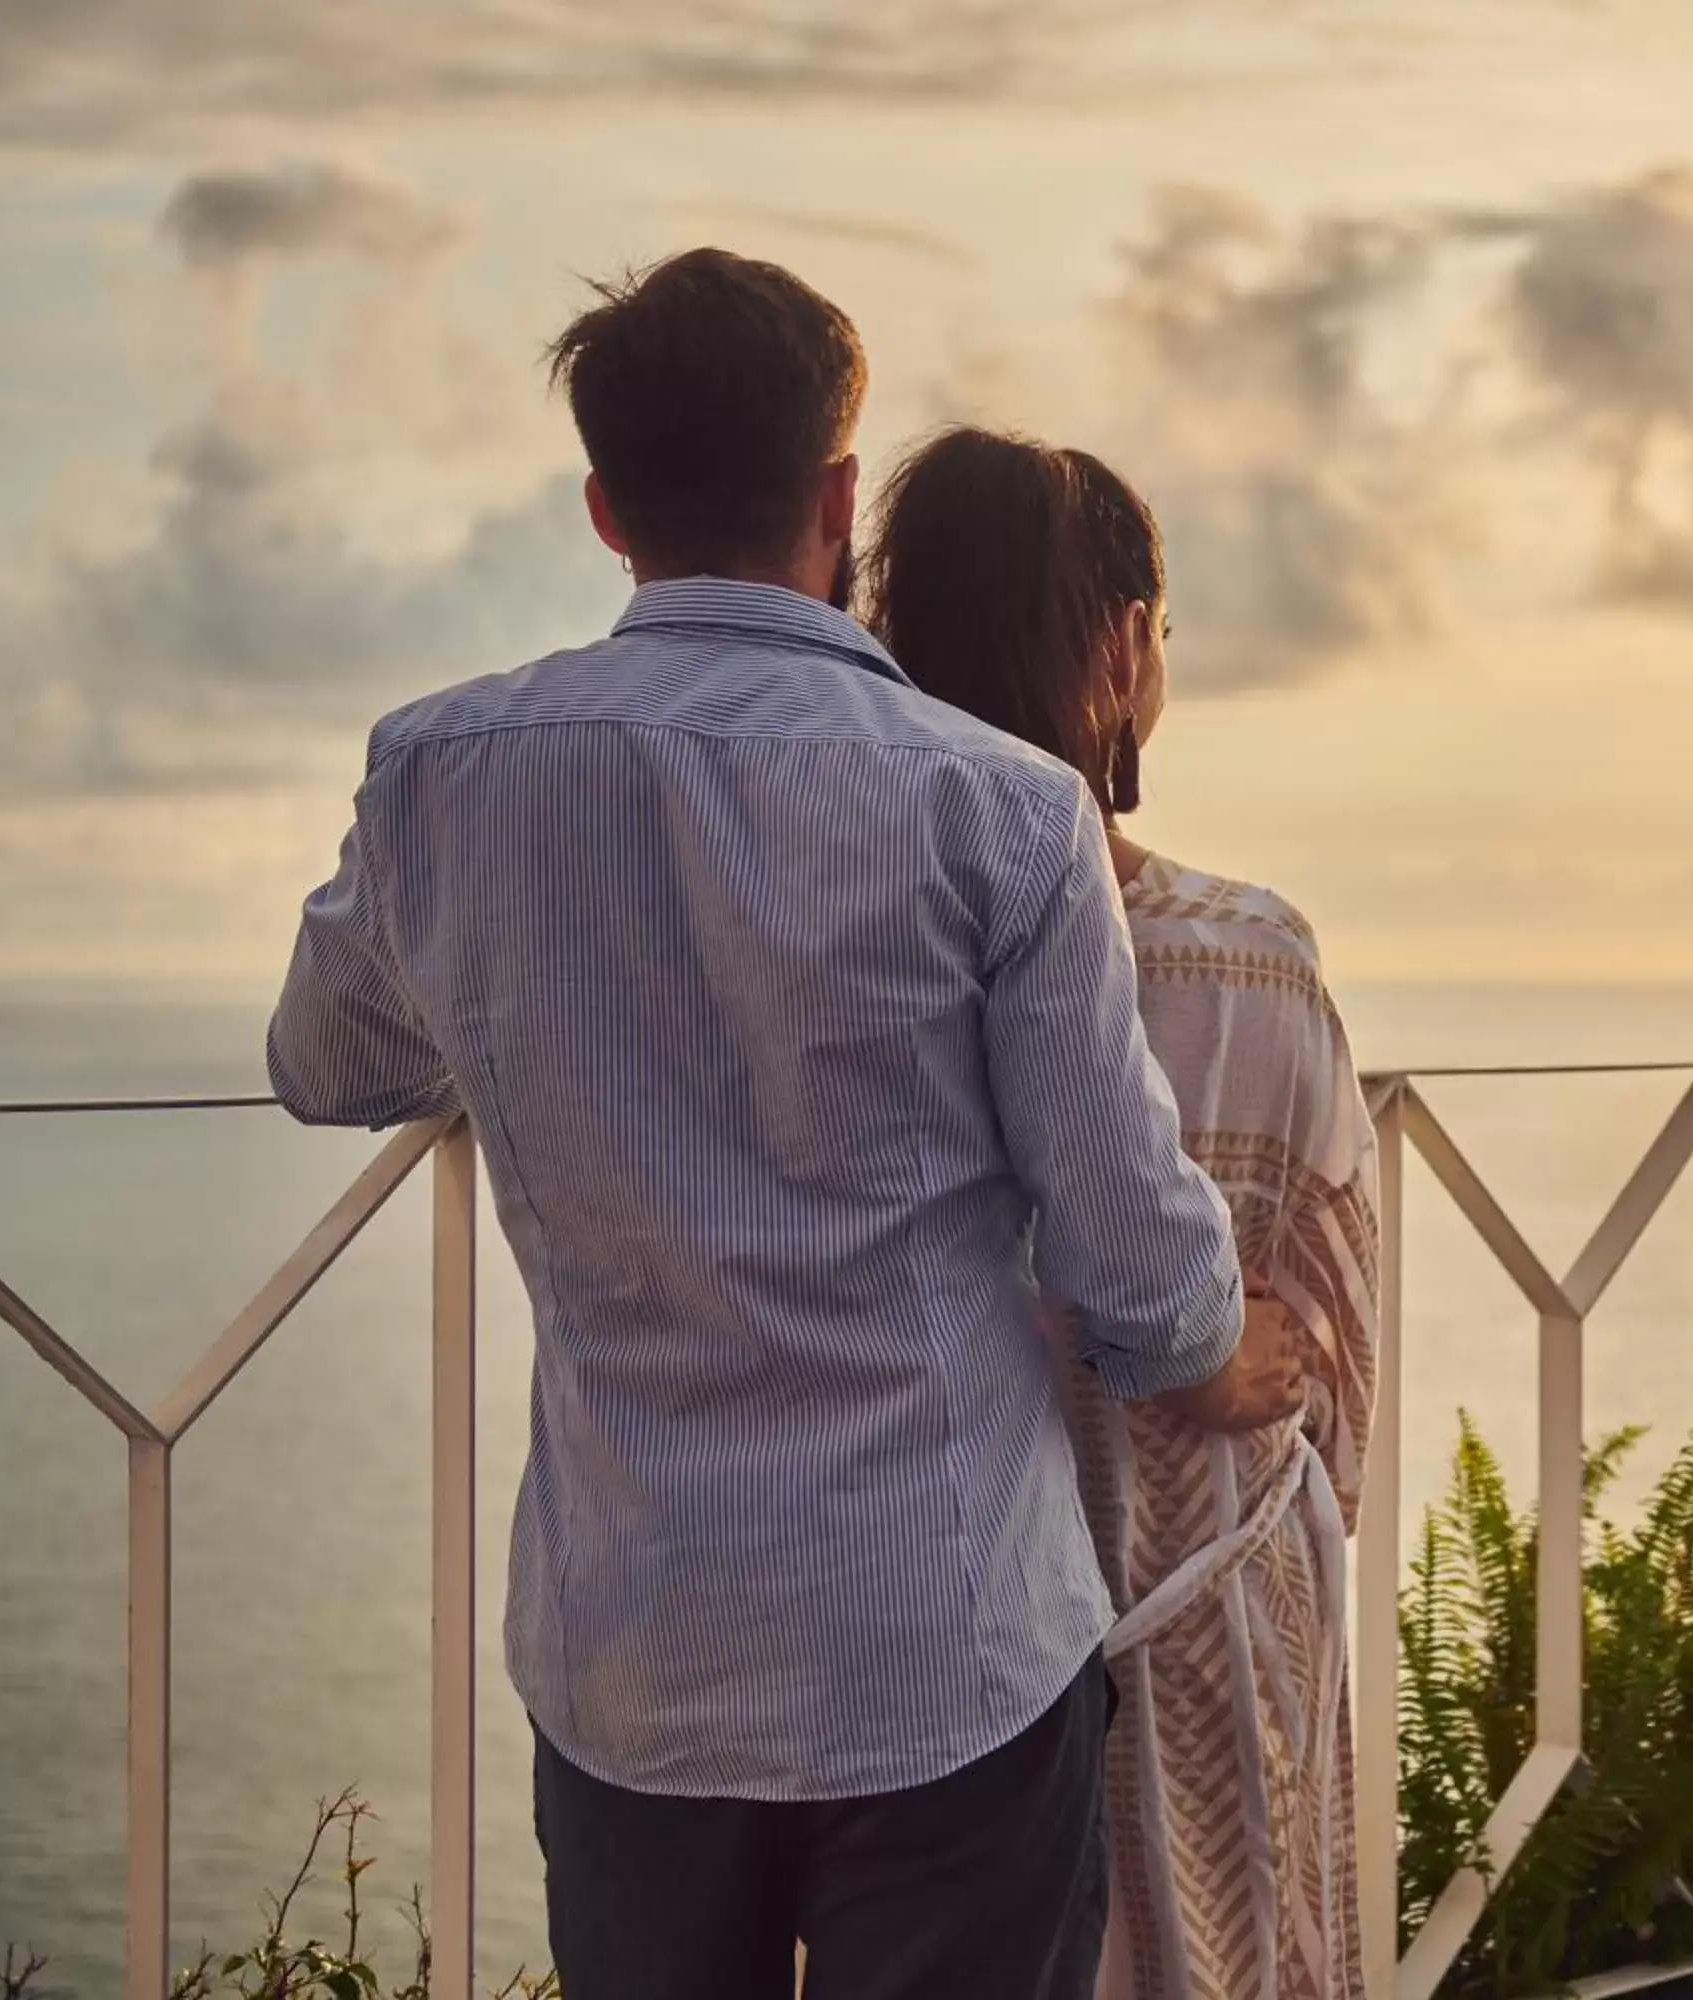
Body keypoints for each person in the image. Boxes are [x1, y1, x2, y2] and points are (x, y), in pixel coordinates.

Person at [264, 250, 1310, 2000]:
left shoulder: (441, 773)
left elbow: (327, 1061)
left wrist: (555, 993)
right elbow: (1139, 1267)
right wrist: (1223, 1361)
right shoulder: (999, 809)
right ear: (836, 494)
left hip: (639, 1662)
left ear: (605, 509)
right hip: (952, 1656)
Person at [863, 426, 1381, 2000]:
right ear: (1118, 647)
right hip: (1199, 1631)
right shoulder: (1248, 959)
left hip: (918, 1634)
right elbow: (1333, 1377)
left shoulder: (843, 940)